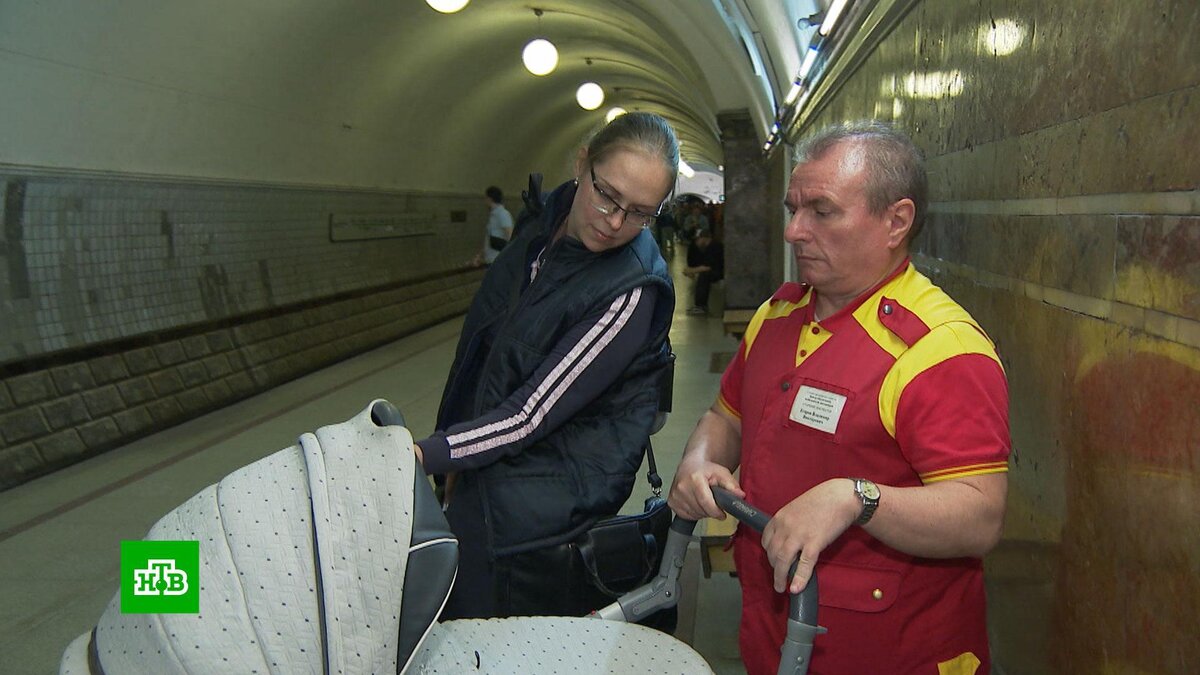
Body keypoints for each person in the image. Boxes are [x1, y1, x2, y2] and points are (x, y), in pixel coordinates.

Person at [668, 121, 1010, 675]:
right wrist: (698, 461)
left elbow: (978, 516)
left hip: (888, 651)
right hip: (776, 631)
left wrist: (857, 498)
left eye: (822, 212)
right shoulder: (777, 316)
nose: (794, 231)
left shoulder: (939, 351)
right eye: (793, 209)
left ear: (896, 221)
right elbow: (723, 416)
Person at [414, 112, 679, 620]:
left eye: (641, 213)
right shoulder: (540, 225)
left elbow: (530, 414)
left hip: (536, 510)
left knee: (490, 641)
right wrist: (456, 451)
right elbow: (484, 350)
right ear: (583, 163)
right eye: (607, 195)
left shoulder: (631, 290)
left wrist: (432, 454)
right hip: (481, 470)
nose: (616, 222)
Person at [683, 228, 724, 315]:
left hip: (719, 272)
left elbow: (708, 267)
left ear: (704, 238)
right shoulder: (708, 248)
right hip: (715, 271)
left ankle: (701, 306)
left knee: (704, 276)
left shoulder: (715, 246)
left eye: (698, 240)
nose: (697, 242)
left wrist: (692, 270)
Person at [480, 185, 514, 265]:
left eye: (485, 198)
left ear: (490, 199)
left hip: (499, 260)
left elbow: (510, 236)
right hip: (492, 260)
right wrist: (480, 256)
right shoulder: (493, 215)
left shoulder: (502, 214)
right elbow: (489, 239)